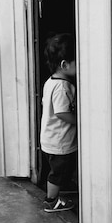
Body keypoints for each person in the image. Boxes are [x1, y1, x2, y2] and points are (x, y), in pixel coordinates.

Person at [40, 33, 77, 213]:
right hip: (59, 142)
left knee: (60, 170)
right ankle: (51, 201)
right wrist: (79, 121)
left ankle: (61, 188)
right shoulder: (62, 86)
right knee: (57, 173)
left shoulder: (51, 82)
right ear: (64, 64)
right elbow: (62, 113)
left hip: (51, 138)